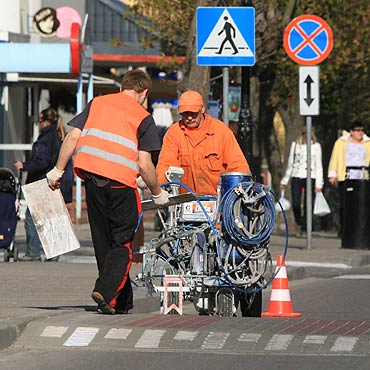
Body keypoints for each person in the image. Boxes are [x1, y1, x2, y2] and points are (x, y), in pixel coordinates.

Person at [46, 69, 170, 315]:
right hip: (121, 185)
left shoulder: (97, 103)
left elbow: (72, 138)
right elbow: (145, 164)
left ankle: (120, 302)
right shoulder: (143, 117)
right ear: (144, 92)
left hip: (91, 180)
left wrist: (57, 171)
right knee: (123, 243)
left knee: (103, 241)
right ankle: (104, 290)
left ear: (122, 86)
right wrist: (157, 193)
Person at [156, 90, 250, 196]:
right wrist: (162, 194)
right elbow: (165, 167)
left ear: (202, 109)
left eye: (193, 113)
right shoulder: (174, 133)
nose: (189, 118)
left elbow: (238, 168)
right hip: (183, 203)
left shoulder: (221, 132)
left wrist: (234, 200)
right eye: (185, 114)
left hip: (218, 204)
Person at [15, 108, 73, 261]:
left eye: (40, 121)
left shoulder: (46, 138)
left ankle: (33, 252)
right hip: (56, 182)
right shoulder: (59, 135)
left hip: (44, 182)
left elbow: (42, 161)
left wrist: (25, 165)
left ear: (45, 122)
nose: (39, 124)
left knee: (31, 217)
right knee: (50, 218)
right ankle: (54, 254)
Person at [328, 120, 370, 234]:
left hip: (362, 177)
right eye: (357, 130)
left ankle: (360, 228)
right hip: (346, 176)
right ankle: (344, 228)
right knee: (345, 203)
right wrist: (333, 174)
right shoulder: (341, 142)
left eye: (362, 130)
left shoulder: (367, 143)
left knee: (361, 203)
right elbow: (335, 158)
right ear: (351, 132)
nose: (360, 133)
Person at [280, 128, 323, 237]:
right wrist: (285, 179)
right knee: (296, 203)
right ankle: (300, 221)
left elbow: (319, 165)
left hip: (311, 176)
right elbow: (291, 163)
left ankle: (305, 228)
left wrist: (319, 183)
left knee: (309, 203)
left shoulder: (316, 146)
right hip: (297, 175)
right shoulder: (295, 145)